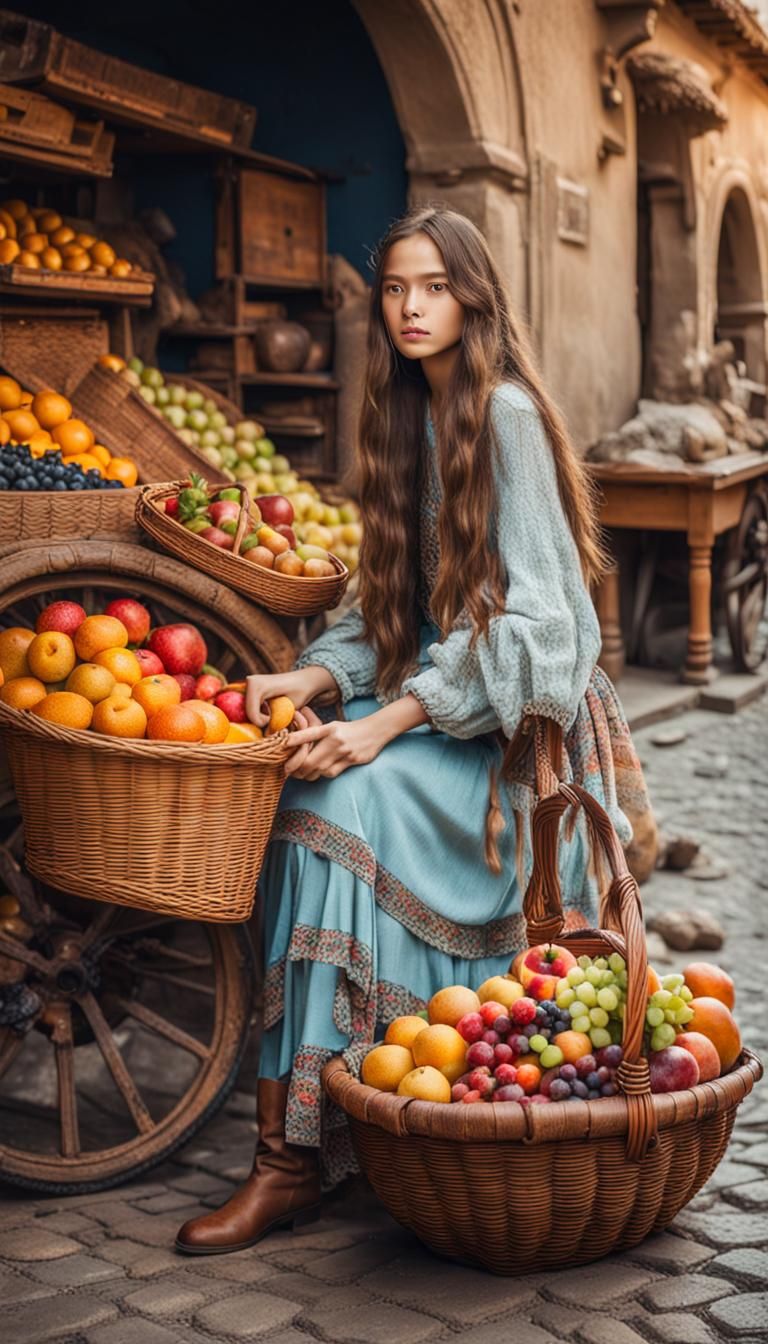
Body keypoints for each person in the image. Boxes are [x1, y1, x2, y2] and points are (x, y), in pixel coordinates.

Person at [175, 206, 648, 1256]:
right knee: (305, 790)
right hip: (435, 717)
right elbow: (386, 612)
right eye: (393, 288)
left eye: (432, 287)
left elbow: (545, 635)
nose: (409, 308)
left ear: (473, 297)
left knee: (337, 797)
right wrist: (306, 674)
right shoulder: (400, 419)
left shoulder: (507, 415)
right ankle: (319, 1132)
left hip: (511, 747)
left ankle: (294, 1158)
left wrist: (385, 723)